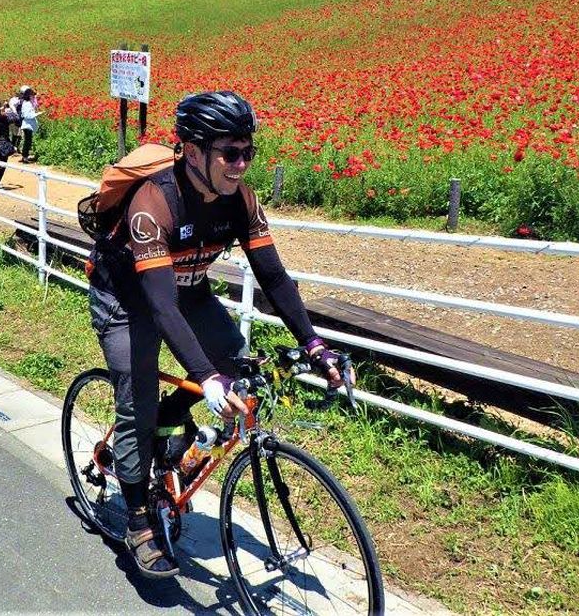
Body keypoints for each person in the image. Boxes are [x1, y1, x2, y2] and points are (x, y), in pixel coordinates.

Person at [86, 90, 350, 579]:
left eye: (248, 152)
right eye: (230, 152)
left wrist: (313, 343)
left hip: (187, 288)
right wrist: (202, 376)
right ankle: (139, 519)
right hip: (126, 298)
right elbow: (159, 306)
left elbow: (273, 278)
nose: (241, 164)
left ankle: (170, 423)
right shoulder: (153, 202)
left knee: (237, 367)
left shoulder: (240, 200)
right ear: (191, 151)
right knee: (138, 398)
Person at [18, 85, 40, 162]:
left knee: (28, 141)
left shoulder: (28, 102)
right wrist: (37, 114)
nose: (33, 96)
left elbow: (36, 105)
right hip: (27, 125)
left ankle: (25, 156)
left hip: (29, 125)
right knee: (27, 141)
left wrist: (36, 98)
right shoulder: (26, 104)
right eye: (32, 95)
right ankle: (25, 157)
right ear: (29, 95)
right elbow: (27, 115)